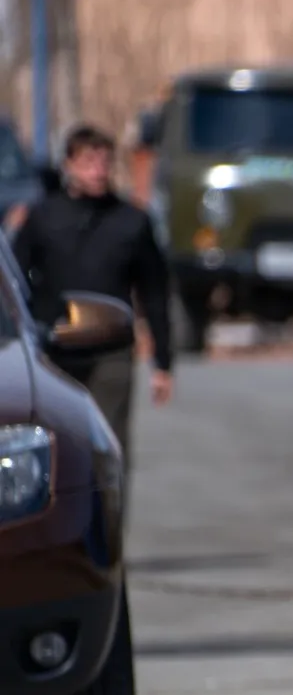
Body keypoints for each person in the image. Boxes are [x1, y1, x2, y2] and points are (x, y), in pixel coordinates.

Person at [13, 125, 175, 459]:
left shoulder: (132, 221)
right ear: (69, 164)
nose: (98, 170)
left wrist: (162, 362)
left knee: (109, 449)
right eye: (88, 161)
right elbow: (15, 282)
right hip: (52, 351)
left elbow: (154, 291)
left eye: (104, 162)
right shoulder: (43, 218)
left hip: (110, 351)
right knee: (57, 451)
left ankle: (109, 511)